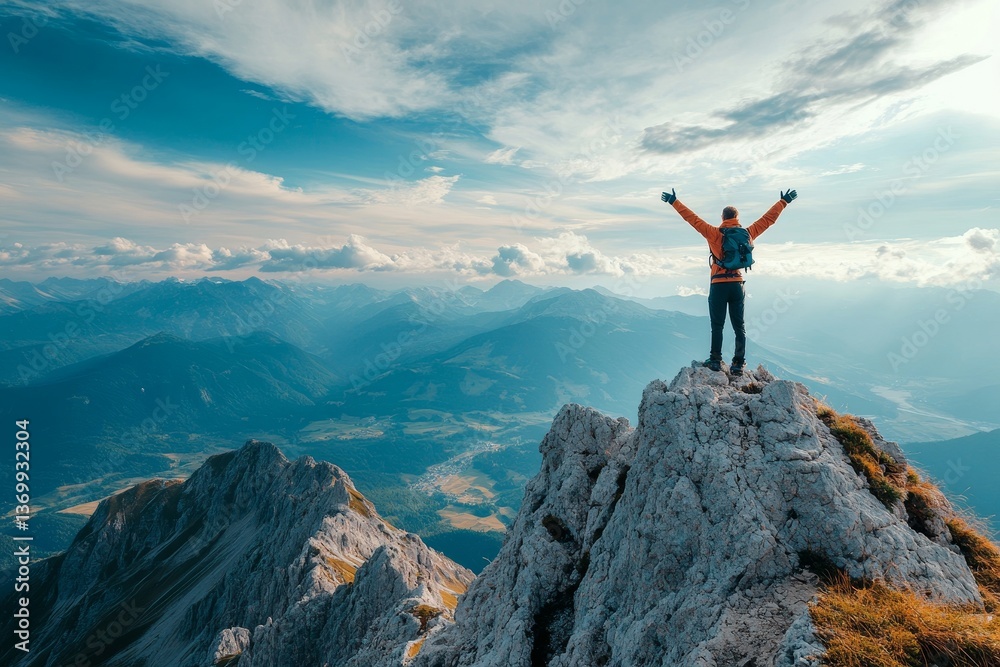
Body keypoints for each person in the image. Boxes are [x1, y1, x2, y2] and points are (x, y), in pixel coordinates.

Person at [661, 187, 797, 375]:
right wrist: (783, 202)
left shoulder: (714, 233)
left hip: (718, 285)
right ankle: (738, 364)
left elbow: (692, 219)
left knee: (717, 325)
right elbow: (768, 220)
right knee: (739, 326)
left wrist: (674, 201)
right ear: (737, 217)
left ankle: (715, 360)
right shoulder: (748, 233)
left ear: (723, 218)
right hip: (736, 285)